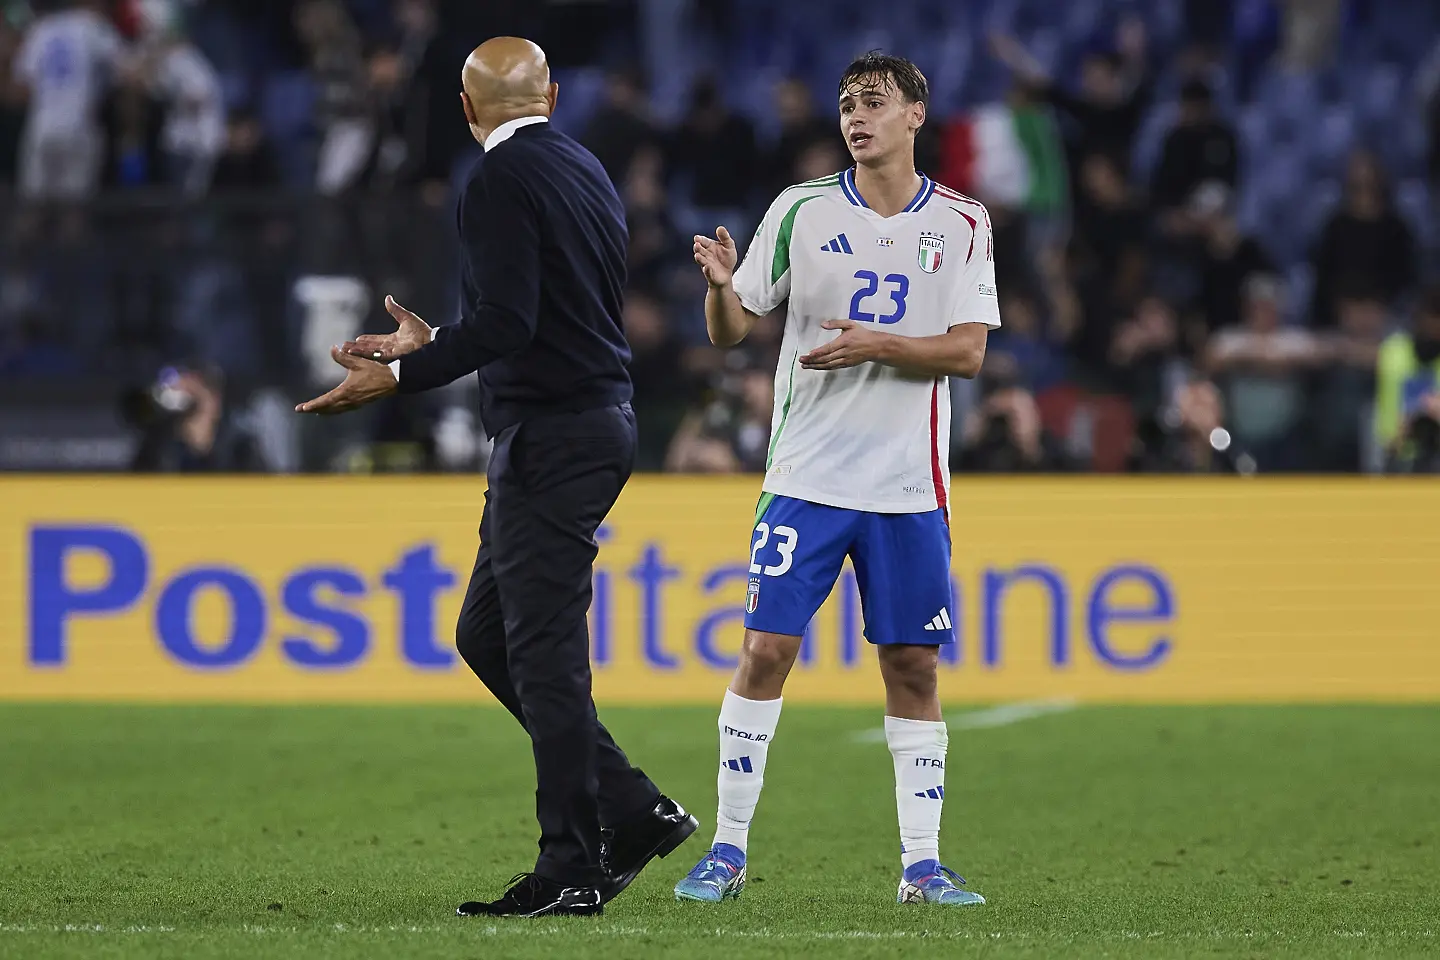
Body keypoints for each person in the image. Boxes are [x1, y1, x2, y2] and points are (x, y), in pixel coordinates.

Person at [294, 37, 696, 918]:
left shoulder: (497, 183)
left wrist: (396, 377)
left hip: (554, 434)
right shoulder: (584, 167)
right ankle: (632, 811)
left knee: (545, 656)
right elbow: (542, 315)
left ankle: (572, 868)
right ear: (550, 93)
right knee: (490, 637)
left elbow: (510, 323)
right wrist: (435, 342)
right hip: (585, 422)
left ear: (470, 112)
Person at [676, 52, 998, 908]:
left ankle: (922, 867)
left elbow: (968, 352)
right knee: (766, 651)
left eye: (875, 103)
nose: (857, 118)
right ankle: (728, 851)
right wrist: (718, 290)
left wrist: (878, 344)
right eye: (848, 105)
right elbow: (732, 331)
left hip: (907, 487)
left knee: (913, 668)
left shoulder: (964, 222)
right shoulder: (801, 210)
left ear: (915, 115)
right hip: (808, 475)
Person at [12, 0, 127, 201]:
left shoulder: (43, 27)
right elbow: (126, 68)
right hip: (79, 127)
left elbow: (22, 83)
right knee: (73, 208)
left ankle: (30, 233)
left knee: (31, 205)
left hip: (41, 128)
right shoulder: (92, 26)